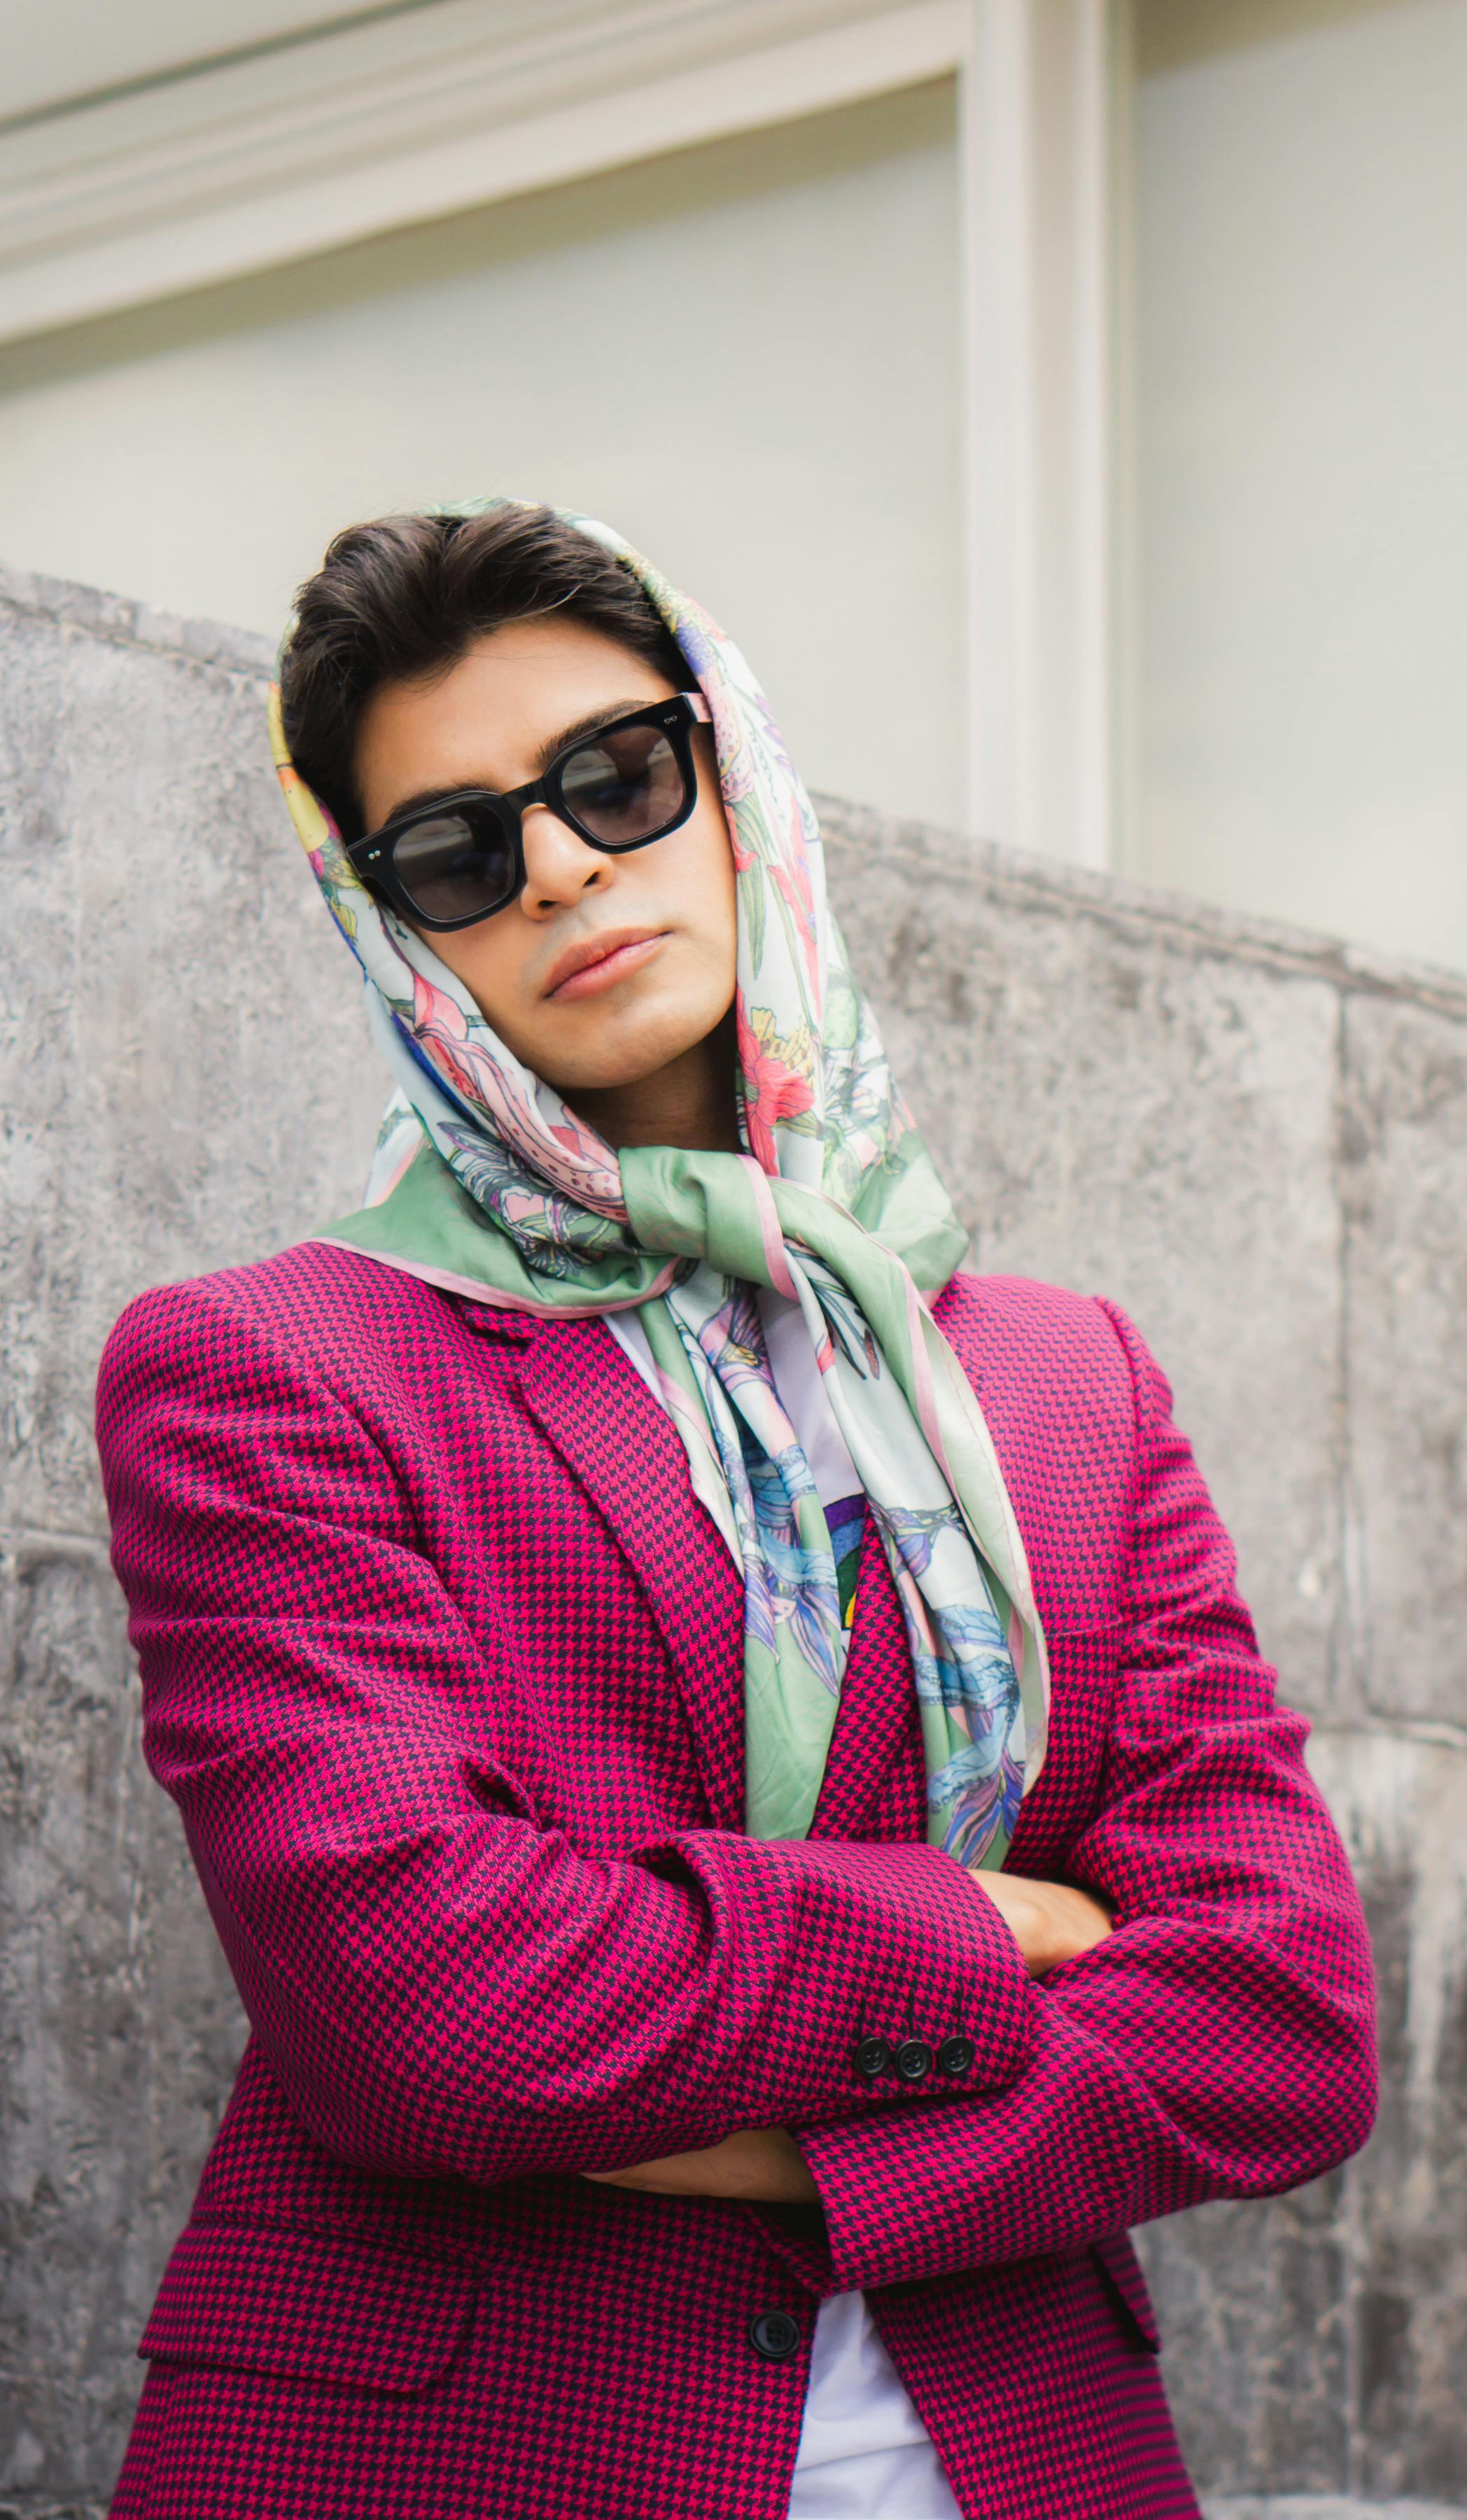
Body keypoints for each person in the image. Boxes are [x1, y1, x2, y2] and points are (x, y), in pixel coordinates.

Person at [95, 501, 1379, 2520]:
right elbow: (428, 2012)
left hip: (1021, 2455)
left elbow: (1283, 2014)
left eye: (616, 774)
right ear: (391, 929)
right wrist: (987, 1925)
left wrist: (761, 2122)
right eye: (456, 850)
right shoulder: (274, 1366)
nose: (563, 865)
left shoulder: (1063, 1380)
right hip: (467, 2459)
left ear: (732, 772)